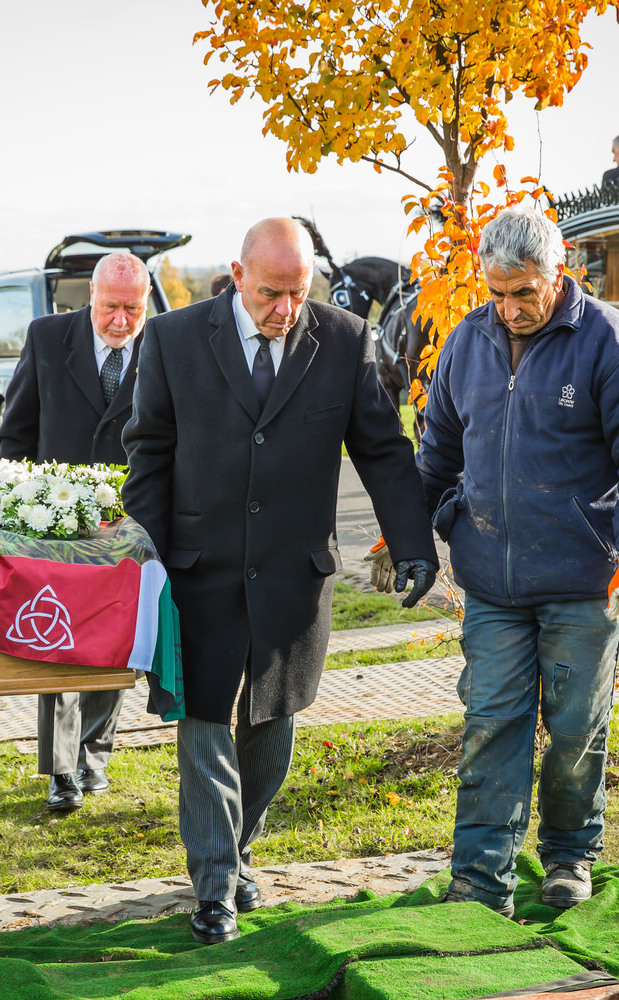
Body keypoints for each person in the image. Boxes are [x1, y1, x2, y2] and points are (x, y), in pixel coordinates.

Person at [122, 217, 437, 945]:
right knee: (204, 725)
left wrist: (414, 544)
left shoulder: (347, 340)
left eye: (299, 293)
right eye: (270, 293)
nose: (285, 310)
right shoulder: (172, 341)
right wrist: (142, 562)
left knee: (271, 727)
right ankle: (213, 891)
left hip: (293, 575)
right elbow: (149, 457)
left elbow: (384, 452)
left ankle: (236, 853)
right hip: (196, 571)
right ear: (238, 276)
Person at [412, 204, 619, 917]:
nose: (509, 309)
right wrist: (404, 528)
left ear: (560, 272)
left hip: (579, 579)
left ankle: (568, 856)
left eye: (523, 292)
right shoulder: (467, 344)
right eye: (495, 294)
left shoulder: (610, 344)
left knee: (573, 728)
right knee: (491, 721)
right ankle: (479, 877)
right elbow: (438, 451)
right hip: (490, 581)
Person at [0, 252, 151, 812]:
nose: (119, 320)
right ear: (90, 295)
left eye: (132, 308)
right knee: (57, 643)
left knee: (113, 643)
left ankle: (94, 755)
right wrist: (11, 505)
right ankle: (63, 771)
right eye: (110, 307)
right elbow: (14, 434)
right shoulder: (46, 338)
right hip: (53, 524)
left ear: (147, 302)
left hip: (131, 526)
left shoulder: (164, 347)